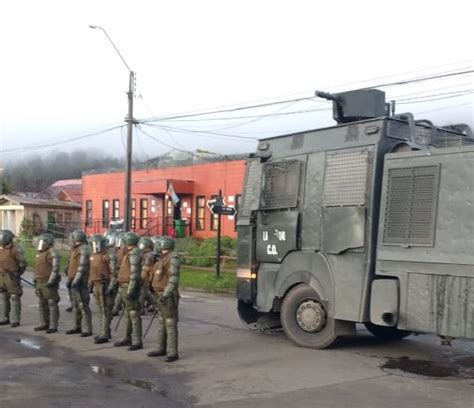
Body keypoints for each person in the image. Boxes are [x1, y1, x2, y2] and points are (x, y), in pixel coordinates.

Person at [147, 236, 180, 362]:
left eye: (159, 245)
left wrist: (166, 294)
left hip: (168, 295)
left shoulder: (172, 259)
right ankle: (161, 348)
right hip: (159, 293)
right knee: (161, 322)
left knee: (170, 323)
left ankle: (172, 352)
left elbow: (173, 280)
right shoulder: (161, 259)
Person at [113, 232, 143, 351]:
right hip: (124, 285)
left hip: (130, 286)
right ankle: (127, 337)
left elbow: (134, 274)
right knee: (128, 314)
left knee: (134, 314)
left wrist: (131, 289)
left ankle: (137, 340)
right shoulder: (129, 253)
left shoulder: (134, 254)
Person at [88, 234, 117, 344]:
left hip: (105, 285)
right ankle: (104, 331)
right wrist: (90, 284)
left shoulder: (108, 255)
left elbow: (114, 273)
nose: (95, 246)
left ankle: (104, 334)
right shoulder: (93, 255)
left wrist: (111, 286)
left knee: (105, 310)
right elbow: (91, 271)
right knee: (100, 310)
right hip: (96, 285)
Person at [65, 230, 93, 337]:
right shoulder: (75, 249)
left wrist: (76, 280)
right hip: (73, 280)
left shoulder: (84, 249)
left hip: (80, 282)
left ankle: (88, 328)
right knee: (76, 305)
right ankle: (77, 326)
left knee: (83, 305)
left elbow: (82, 267)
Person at [33, 233, 61, 333]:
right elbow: (36, 268)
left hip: (48, 281)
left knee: (51, 302)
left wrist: (52, 280)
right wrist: (35, 279)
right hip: (39, 281)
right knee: (41, 303)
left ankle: (53, 325)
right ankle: (43, 323)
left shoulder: (52, 253)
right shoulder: (40, 253)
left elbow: (55, 268)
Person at [0, 229, 26, 327]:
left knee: (14, 296)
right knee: (3, 296)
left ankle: (15, 319)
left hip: (12, 276)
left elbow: (22, 263)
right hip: (1, 276)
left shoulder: (15, 249)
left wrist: (18, 273)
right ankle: (4, 317)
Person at [138, 237, 156, 315]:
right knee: (144, 291)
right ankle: (156, 304)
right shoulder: (142, 253)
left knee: (142, 291)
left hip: (146, 273)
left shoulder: (150, 254)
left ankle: (140, 307)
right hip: (142, 272)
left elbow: (147, 265)